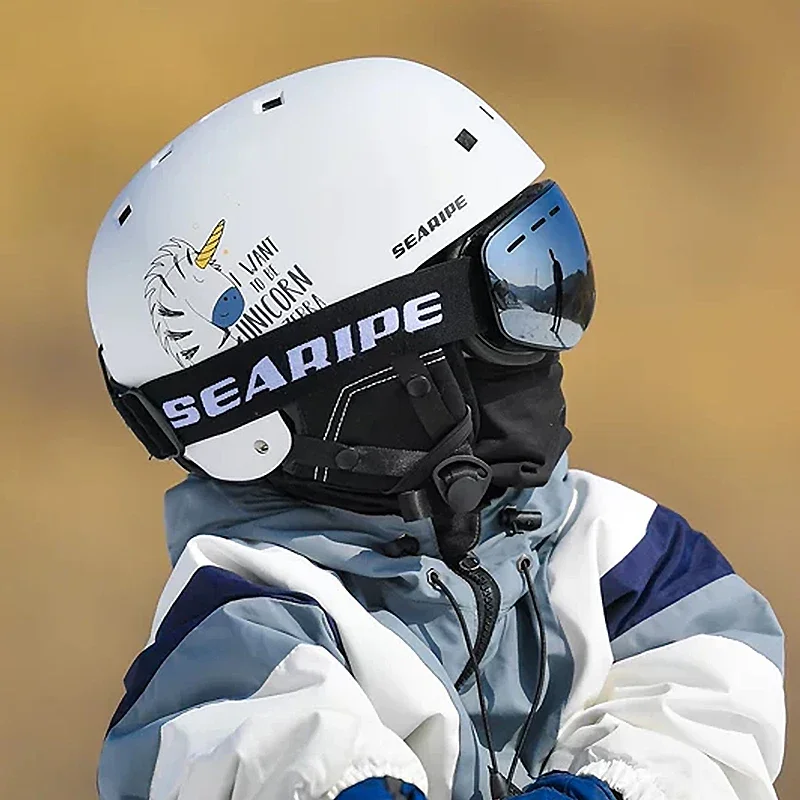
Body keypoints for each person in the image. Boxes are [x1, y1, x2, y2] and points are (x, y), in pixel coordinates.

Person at [87, 58, 785, 800]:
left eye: (551, 267)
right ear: (352, 372)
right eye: (507, 299)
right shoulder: (240, 646)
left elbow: (711, 697)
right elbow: (267, 758)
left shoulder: (613, 552)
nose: (549, 343)